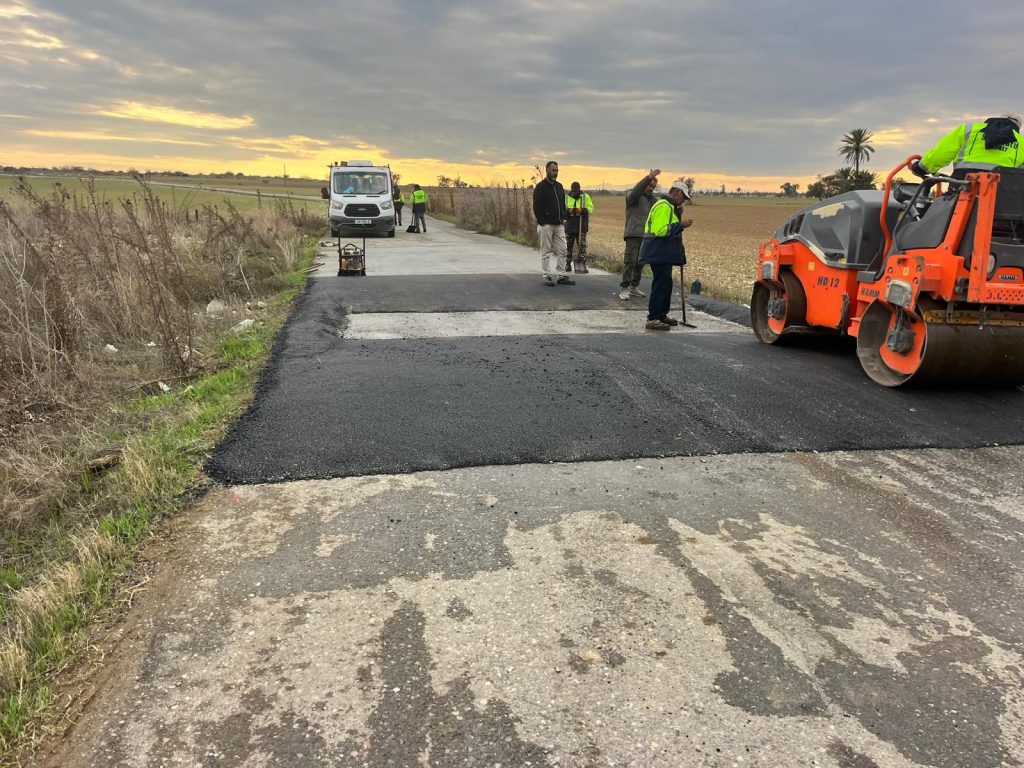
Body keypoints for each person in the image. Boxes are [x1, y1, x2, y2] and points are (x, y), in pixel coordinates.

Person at [638, 179, 693, 331]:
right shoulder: (664, 206)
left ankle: (662, 315)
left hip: (663, 253)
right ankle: (653, 317)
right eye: (683, 197)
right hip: (658, 251)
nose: (683, 201)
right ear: (676, 192)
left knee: (666, 284)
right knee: (660, 284)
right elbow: (660, 230)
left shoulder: (670, 207)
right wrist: (680, 225)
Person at [913, 114, 1024, 177]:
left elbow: (941, 154)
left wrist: (922, 167)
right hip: (1001, 198)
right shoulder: (1021, 143)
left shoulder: (968, 130)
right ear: (1017, 128)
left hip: (962, 189)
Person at [620, 169, 660, 301]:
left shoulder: (653, 200)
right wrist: (648, 178)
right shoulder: (633, 196)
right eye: (649, 185)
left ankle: (634, 286)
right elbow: (637, 189)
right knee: (630, 261)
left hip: (646, 236)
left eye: (653, 187)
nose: (651, 188)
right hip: (633, 233)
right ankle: (624, 288)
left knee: (640, 263)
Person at [533, 160, 573, 287]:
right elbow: (536, 206)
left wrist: (564, 216)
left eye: (557, 170)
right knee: (546, 251)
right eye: (553, 170)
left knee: (563, 250)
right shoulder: (540, 187)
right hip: (546, 225)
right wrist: (542, 222)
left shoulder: (559, 187)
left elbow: (562, 204)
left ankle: (561, 275)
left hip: (559, 224)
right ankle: (547, 276)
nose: (555, 173)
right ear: (547, 170)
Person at [564, 181, 594, 274]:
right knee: (569, 247)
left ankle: (582, 264)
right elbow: (564, 211)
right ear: (571, 190)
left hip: (581, 226)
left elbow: (591, 209)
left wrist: (582, 210)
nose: (575, 193)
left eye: (576, 191)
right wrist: (570, 211)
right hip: (570, 226)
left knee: (582, 247)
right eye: (573, 191)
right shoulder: (566, 197)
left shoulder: (585, 197)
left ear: (579, 189)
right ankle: (567, 264)